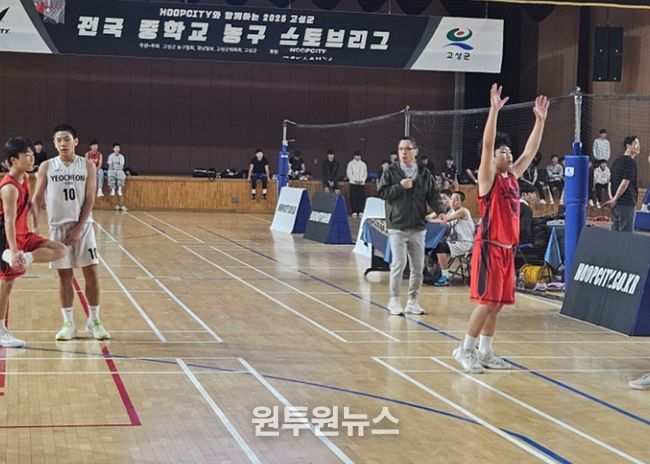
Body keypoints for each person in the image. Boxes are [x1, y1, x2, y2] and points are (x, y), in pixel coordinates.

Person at [453, 84, 549, 374]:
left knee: (497, 305)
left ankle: (485, 352)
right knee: (486, 302)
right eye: (503, 151)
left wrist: (540, 121)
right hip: (489, 247)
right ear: (494, 159)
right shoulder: (488, 179)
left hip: (508, 250)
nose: (508, 153)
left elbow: (530, 152)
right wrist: (494, 111)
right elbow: (486, 145)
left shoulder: (513, 177)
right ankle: (464, 349)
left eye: (508, 150)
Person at [32, 124, 110, 341]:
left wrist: (79, 227)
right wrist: (34, 227)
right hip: (58, 228)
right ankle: (68, 324)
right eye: (58, 140)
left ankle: (94, 321)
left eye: (66, 139)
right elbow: (36, 198)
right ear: (54, 143)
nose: (62, 143)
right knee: (64, 276)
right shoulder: (47, 166)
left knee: (92, 273)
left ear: (75, 141)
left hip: (83, 227)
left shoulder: (88, 165)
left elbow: (90, 198)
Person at [0, 137, 65, 347]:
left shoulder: (25, 178)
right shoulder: (9, 188)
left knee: (60, 249)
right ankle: (0, 331)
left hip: (24, 234)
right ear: (13, 160)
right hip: (6, 238)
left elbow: (29, 204)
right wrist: (13, 249)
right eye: (26, 156)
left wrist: (35, 225)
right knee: (7, 283)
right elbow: (8, 221)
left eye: (31, 155)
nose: (31, 158)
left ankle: (26, 258)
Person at [377, 136, 443, 316]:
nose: (403, 152)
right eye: (400, 149)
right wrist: (400, 187)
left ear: (416, 151)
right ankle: (394, 300)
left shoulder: (424, 173)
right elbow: (382, 193)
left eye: (407, 149)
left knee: (418, 267)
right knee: (399, 263)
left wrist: (440, 210)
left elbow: (433, 195)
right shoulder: (391, 172)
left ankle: (413, 301)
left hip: (418, 226)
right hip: (397, 225)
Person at [431, 191, 475, 286]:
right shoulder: (452, 212)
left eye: (457, 199)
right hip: (456, 242)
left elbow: (445, 219)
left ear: (461, 202)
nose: (453, 201)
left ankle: (445, 277)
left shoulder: (463, 211)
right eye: (452, 199)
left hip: (465, 243)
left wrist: (429, 221)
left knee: (440, 247)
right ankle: (436, 272)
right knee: (434, 246)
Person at [603, 136, 640, 232]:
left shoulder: (616, 161)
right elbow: (625, 182)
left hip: (615, 205)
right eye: (636, 143)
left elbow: (610, 183)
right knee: (625, 235)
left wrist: (612, 199)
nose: (638, 146)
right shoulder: (631, 163)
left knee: (615, 233)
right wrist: (615, 199)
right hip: (626, 204)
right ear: (628, 146)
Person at [346, 150, 367, 217]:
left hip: (361, 184)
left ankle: (361, 211)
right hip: (353, 183)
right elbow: (349, 173)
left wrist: (362, 180)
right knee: (353, 197)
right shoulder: (350, 164)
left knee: (361, 197)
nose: (358, 157)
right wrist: (354, 180)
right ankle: (354, 211)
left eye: (359, 156)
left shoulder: (363, 164)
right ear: (354, 156)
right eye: (356, 156)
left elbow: (365, 174)